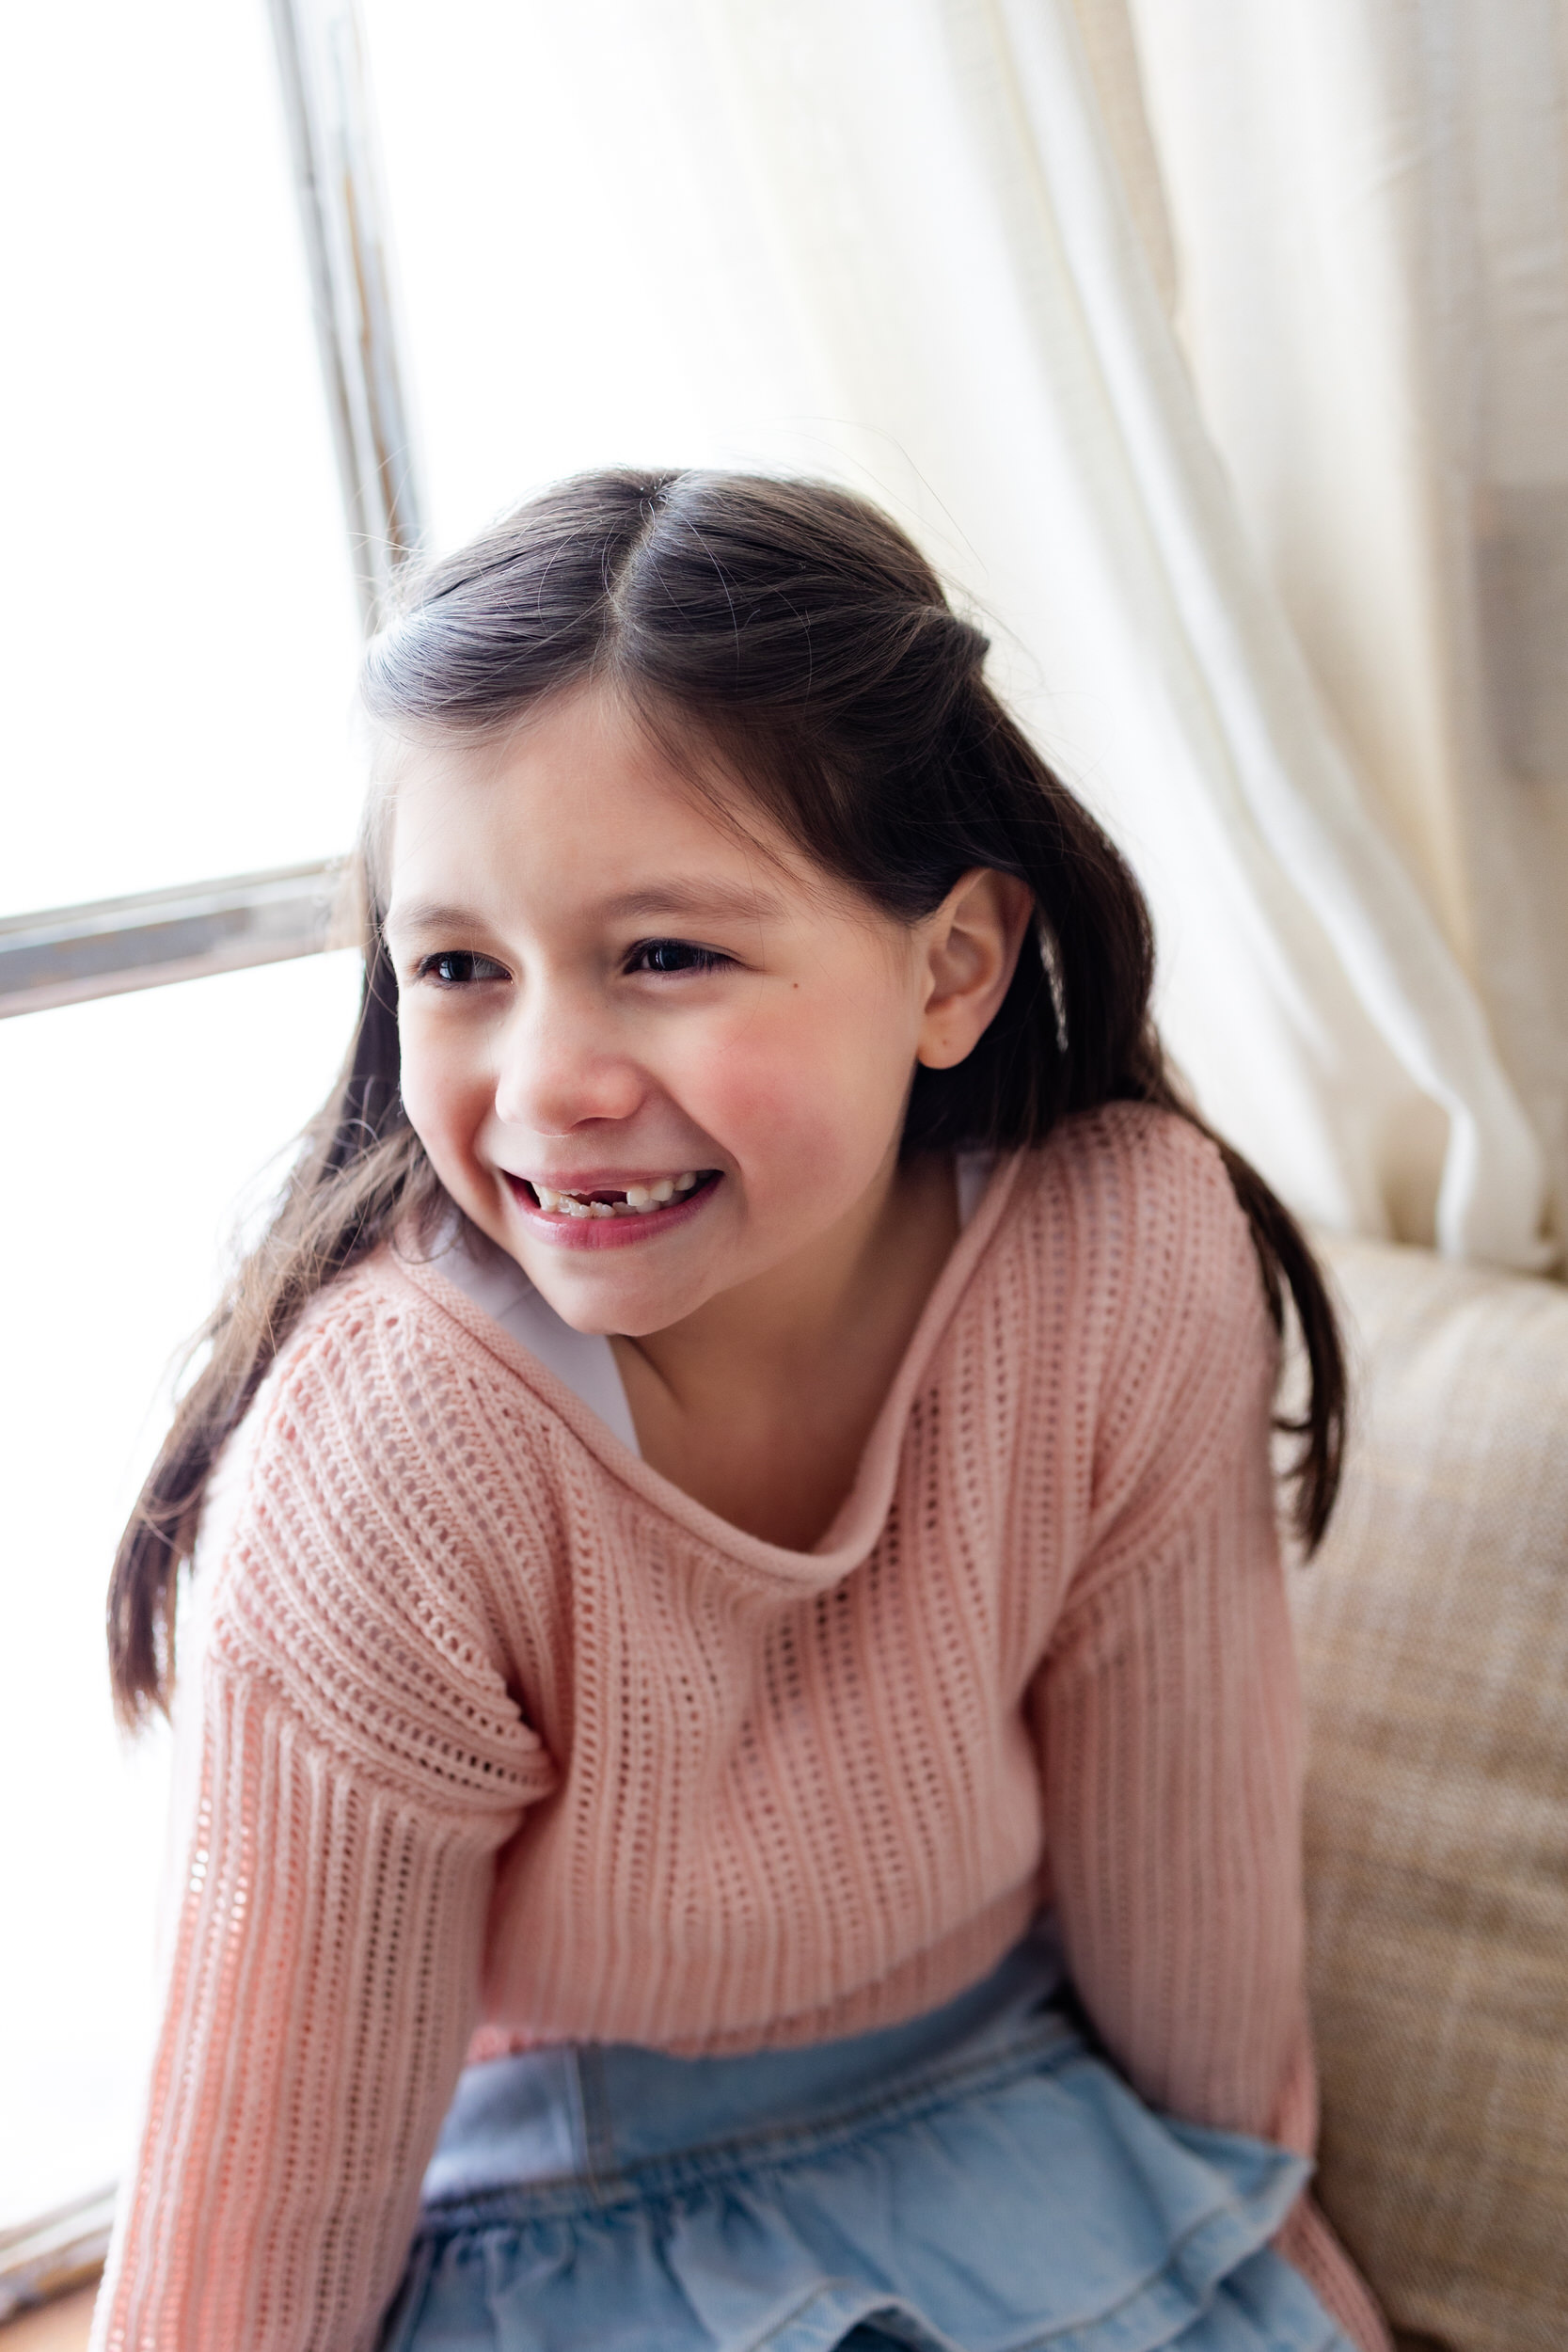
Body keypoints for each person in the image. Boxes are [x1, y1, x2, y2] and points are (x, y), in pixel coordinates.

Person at [96, 471, 1390, 2352]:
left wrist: (1239, 2264)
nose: (549, 1082)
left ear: (952, 966)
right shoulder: (395, 1451)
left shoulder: (1117, 1253)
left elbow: (1191, 1911)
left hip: (1021, 2126)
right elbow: (259, 2196)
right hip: (563, 2219)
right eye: (459, 966)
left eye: (665, 954)